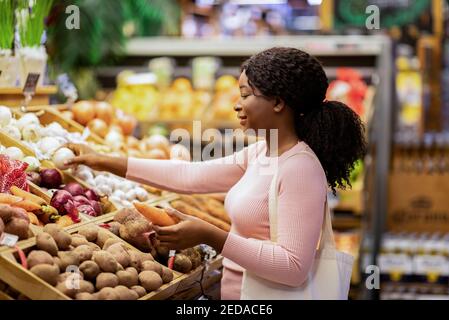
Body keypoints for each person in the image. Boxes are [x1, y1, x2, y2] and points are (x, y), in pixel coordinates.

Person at [65, 47, 366, 300]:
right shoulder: (262, 152)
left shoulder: (300, 168)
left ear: (277, 102)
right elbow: (187, 176)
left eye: (246, 95)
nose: (236, 105)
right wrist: (102, 160)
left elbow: (292, 267)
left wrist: (211, 235)